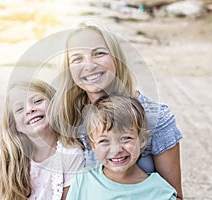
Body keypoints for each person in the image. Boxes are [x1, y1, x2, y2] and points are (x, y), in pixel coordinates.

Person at [47, 19, 183, 199]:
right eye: (77, 58)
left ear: (116, 58)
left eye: (99, 53)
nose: (89, 65)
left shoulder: (155, 117)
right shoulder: (66, 116)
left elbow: (174, 195)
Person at [0, 80, 84, 200]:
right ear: (16, 126)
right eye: (19, 109)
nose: (30, 109)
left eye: (37, 101)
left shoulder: (71, 154)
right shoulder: (12, 151)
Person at [66, 94, 177, 200]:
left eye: (125, 138)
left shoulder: (161, 192)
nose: (116, 150)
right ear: (93, 145)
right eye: (104, 141)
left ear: (142, 140)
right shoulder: (83, 180)